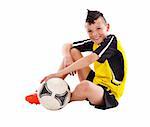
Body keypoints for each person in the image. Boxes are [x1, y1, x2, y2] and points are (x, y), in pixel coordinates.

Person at [25, 10, 127, 110]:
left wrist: (59, 73)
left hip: (108, 93)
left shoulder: (112, 41)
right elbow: (67, 45)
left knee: (84, 86)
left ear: (107, 27)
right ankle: (47, 89)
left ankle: (53, 98)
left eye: (99, 28)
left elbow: (90, 59)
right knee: (73, 51)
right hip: (96, 81)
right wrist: (67, 57)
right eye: (90, 31)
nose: (95, 34)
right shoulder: (95, 42)